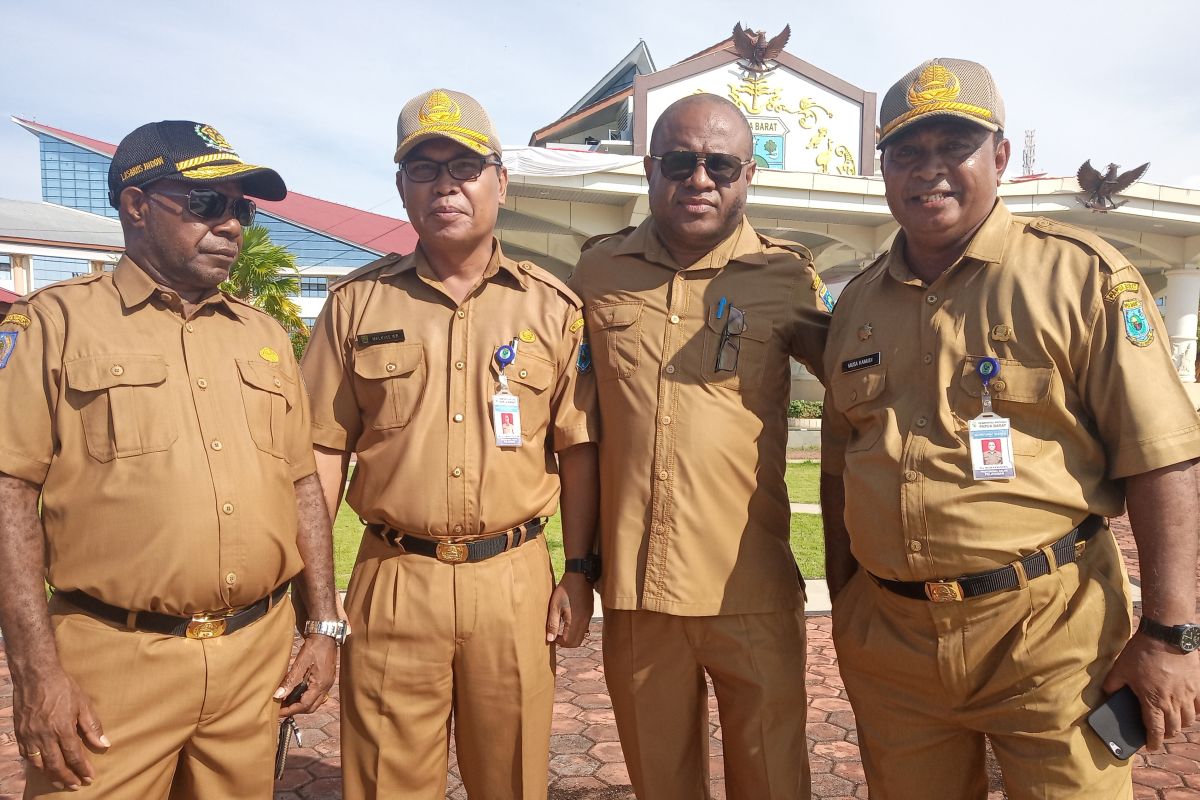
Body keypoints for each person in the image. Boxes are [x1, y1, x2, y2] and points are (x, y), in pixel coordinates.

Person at [821, 58, 1200, 798]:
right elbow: (842, 467)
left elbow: (1164, 457)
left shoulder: (1079, 276)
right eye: (907, 151)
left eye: (952, 145)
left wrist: (1170, 635)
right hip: (893, 649)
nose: (929, 170)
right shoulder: (857, 302)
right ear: (883, 168)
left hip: (1052, 638)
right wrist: (849, 608)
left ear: (998, 156)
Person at [0, 120, 340, 799]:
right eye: (208, 203)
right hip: (113, 665)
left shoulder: (266, 337)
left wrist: (323, 625)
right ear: (136, 205)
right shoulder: (53, 325)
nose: (233, 226)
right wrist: (38, 675)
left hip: (253, 662)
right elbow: (8, 497)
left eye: (241, 209)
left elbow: (302, 484)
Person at [301, 88, 599, 800]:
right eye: (424, 168)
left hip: (516, 579)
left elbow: (580, 449)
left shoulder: (552, 308)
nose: (445, 185)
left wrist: (580, 572)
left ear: (501, 180)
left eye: (463, 166)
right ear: (402, 188)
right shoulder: (356, 305)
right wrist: (319, 603)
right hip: (394, 577)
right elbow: (316, 455)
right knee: (385, 784)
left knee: (515, 778)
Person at [569, 93, 831, 799]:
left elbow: (868, 389)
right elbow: (572, 424)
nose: (700, 179)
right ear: (651, 168)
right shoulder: (598, 273)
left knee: (773, 781)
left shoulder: (786, 278)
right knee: (661, 782)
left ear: (749, 175)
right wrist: (575, 565)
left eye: (720, 164)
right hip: (636, 591)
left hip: (748, 584)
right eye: (681, 162)